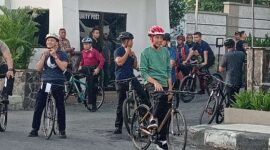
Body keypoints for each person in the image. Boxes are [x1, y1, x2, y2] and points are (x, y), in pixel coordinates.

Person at [28, 33, 68, 138]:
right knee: (39, 105)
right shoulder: (44, 53)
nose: (49, 42)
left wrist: (55, 56)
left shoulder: (62, 54)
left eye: (51, 40)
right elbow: (38, 69)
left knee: (60, 106)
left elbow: (63, 68)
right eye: (48, 40)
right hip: (46, 82)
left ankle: (62, 130)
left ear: (56, 43)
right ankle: (34, 129)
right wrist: (44, 56)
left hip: (58, 82)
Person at [140, 26, 172, 150]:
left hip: (164, 83)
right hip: (150, 83)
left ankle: (161, 140)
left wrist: (169, 88)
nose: (159, 40)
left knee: (167, 113)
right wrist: (155, 83)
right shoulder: (145, 52)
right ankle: (152, 118)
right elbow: (143, 72)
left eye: (161, 37)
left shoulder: (165, 52)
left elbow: (169, 71)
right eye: (157, 37)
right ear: (151, 38)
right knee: (159, 98)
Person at [113, 32, 149, 134]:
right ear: (126, 41)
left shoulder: (131, 52)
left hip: (131, 77)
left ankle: (145, 120)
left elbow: (134, 66)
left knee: (143, 95)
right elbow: (120, 62)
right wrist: (127, 52)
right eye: (131, 40)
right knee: (121, 103)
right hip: (121, 79)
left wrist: (134, 57)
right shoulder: (118, 51)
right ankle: (118, 126)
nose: (132, 42)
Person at [80, 37, 105, 112]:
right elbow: (82, 61)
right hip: (85, 69)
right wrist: (80, 66)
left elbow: (102, 60)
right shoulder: (83, 52)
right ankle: (79, 93)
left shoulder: (94, 51)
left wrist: (98, 69)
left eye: (87, 44)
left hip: (93, 70)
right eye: (84, 44)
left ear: (90, 44)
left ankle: (93, 104)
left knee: (92, 87)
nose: (85, 46)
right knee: (74, 76)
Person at [219, 38, 245, 105]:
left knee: (230, 99)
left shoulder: (226, 55)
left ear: (226, 46)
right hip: (239, 80)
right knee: (235, 97)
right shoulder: (241, 54)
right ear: (234, 45)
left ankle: (230, 112)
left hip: (230, 81)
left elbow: (221, 69)